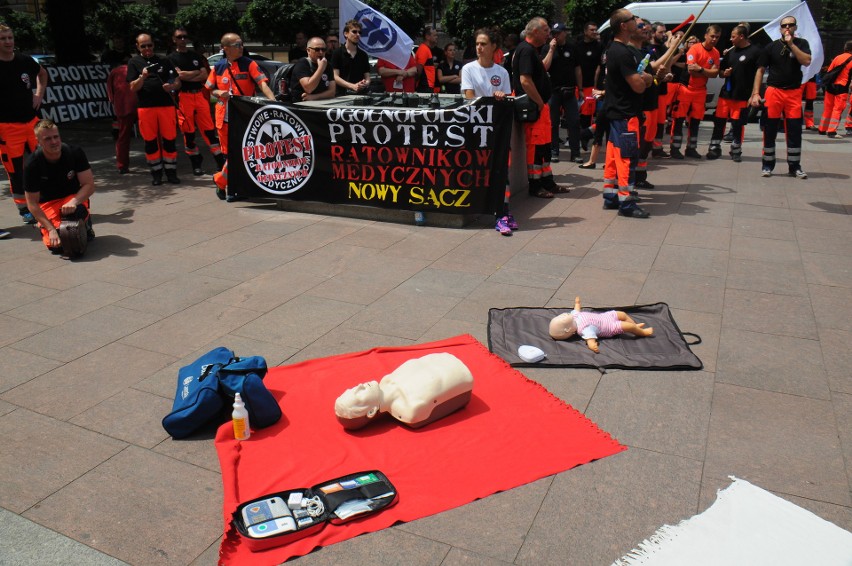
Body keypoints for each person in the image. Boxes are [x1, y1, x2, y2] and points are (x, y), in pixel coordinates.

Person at [205, 32, 275, 201]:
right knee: (230, 155)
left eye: (241, 44)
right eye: (237, 45)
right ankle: (232, 189)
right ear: (225, 48)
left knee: (243, 153)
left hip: (244, 116)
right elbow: (209, 88)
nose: (241, 47)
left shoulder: (248, 64)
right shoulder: (219, 67)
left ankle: (221, 181)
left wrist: (273, 102)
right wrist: (219, 92)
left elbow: (262, 84)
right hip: (224, 118)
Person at [461, 27, 515, 235]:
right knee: (478, 171)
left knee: (502, 171)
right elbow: (468, 98)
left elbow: (508, 100)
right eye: (477, 44)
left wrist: (501, 97)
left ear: (494, 47)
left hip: (498, 130)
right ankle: (478, 208)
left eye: (484, 44)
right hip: (475, 130)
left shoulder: (501, 72)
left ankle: (503, 212)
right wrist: (493, 99)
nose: (479, 48)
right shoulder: (468, 69)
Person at [601, 9, 654, 218]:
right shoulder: (622, 52)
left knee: (614, 157)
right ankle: (627, 203)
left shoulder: (614, 49)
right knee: (627, 159)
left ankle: (611, 196)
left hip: (616, 113)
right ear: (623, 25)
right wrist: (648, 79)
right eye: (633, 19)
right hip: (626, 115)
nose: (637, 22)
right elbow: (639, 86)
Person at [334, 353, 474, 430]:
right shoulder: (411, 409)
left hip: (447, 359)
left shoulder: (387, 380)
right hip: (462, 374)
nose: (359, 386)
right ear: (371, 412)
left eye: (352, 389)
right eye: (358, 395)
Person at [513, 17, 569, 199]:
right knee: (535, 150)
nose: (549, 34)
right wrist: (538, 102)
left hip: (540, 108)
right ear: (535, 31)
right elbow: (525, 81)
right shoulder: (526, 50)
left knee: (544, 148)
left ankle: (548, 182)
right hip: (534, 108)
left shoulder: (532, 51)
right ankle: (535, 186)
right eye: (545, 30)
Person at [750, 15, 811, 178]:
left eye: (791, 25)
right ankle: (767, 165)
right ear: (780, 28)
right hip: (774, 91)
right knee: (769, 129)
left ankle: (794, 166)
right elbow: (760, 70)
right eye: (784, 25)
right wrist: (756, 93)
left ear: (795, 28)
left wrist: (791, 44)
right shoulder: (770, 47)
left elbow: (806, 61)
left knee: (794, 130)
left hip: (793, 93)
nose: (787, 28)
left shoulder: (801, 44)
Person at [0, 23, 48, 225]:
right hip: (7, 127)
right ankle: (24, 209)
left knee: (45, 161)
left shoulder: (25, 61)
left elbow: (43, 75)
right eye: (3, 39)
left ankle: (46, 200)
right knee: (16, 170)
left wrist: (39, 93)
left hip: (32, 123)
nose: (8, 42)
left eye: (10, 37)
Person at [24, 119, 95, 253]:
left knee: (78, 213)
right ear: (38, 141)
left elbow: (89, 185)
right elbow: (32, 203)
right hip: (48, 204)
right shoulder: (32, 165)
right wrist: (51, 229)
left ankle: (85, 224)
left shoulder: (75, 152)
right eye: (47, 139)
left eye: (56, 137)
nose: (54, 142)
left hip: (72, 199)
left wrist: (74, 202)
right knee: (57, 246)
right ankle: (45, 227)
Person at [168, 28, 225, 176]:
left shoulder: (195, 55)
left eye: (184, 37)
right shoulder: (171, 58)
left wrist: (188, 75)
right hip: (184, 97)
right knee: (188, 133)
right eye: (179, 37)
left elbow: (205, 75)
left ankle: (220, 162)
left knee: (209, 130)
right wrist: (195, 73)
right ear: (174, 39)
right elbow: (179, 76)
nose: (182, 39)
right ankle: (196, 163)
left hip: (199, 95)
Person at [127, 33, 182, 186]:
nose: (147, 49)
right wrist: (142, 77)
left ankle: (171, 173)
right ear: (138, 47)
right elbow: (132, 87)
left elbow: (177, 81)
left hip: (166, 106)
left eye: (149, 45)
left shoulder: (163, 60)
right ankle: (156, 174)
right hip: (146, 108)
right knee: (150, 142)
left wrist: (171, 86)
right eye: (143, 46)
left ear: (153, 45)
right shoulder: (134, 62)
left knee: (170, 140)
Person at [707, 25, 761, 162]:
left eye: (733, 36)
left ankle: (736, 150)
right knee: (719, 122)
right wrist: (723, 73)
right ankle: (714, 148)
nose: (731, 39)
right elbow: (721, 71)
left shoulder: (754, 52)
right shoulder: (731, 52)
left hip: (742, 96)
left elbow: (758, 74)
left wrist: (754, 93)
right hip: (726, 95)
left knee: (737, 124)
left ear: (741, 36)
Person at [670, 24, 720, 159]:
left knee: (696, 120)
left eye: (717, 37)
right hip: (686, 89)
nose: (714, 39)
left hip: (701, 91)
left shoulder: (715, 52)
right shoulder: (694, 48)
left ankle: (691, 148)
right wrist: (706, 72)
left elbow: (715, 74)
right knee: (679, 119)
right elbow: (691, 70)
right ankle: (675, 149)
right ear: (706, 35)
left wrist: (702, 70)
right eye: (712, 36)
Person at [549, 296, 654, 353]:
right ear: (568, 329)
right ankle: (641, 332)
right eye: (561, 319)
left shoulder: (574, 316)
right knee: (628, 327)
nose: (562, 315)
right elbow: (590, 339)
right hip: (609, 327)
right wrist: (592, 346)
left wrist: (577, 304)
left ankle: (635, 326)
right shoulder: (583, 329)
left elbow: (576, 310)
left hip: (605, 317)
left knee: (622, 314)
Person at [547, 22, 583, 164]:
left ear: (564, 33)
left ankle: (575, 153)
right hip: (553, 91)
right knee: (553, 123)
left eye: (558, 32)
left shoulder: (572, 47)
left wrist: (580, 89)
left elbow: (577, 69)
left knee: (574, 122)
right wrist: (550, 50)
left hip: (569, 91)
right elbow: (544, 66)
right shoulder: (547, 47)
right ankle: (554, 151)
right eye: (553, 32)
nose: (555, 35)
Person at [106, 58, 137, 174]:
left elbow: (110, 94)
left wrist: (116, 104)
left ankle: (122, 165)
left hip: (124, 107)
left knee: (123, 137)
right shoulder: (138, 67)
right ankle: (156, 161)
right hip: (141, 104)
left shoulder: (114, 72)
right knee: (151, 134)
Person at [817, 41, 852, 138]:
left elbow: (829, 71)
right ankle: (832, 131)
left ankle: (822, 129)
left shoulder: (837, 57)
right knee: (838, 109)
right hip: (842, 86)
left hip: (830, 85)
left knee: (828, 108)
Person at [331, 20, 371, 96]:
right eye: (354, 32)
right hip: (342, 96)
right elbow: (335, 76)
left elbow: (367, 77)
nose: (358, 34)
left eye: (359, 32)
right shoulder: (337, 53)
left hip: (361, 96)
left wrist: (364, 84)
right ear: (346, 34)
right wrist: (352, 86)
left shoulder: (363, 55)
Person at [290, 37, 336, 101]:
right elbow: (309, 88)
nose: (321, 52)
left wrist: (314, 97)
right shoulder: (303, 63)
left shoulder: (327, 65)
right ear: (308, 50)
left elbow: (332, 92)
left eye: (323, 49)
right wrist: (321, 68)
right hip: (301, 104)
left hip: (321, 102)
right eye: (317, 49)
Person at [578, 22, 603, 131]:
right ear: (585, 31)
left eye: (595, 30)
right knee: (574, 111)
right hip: (577, 85)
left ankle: (585, 133)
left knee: (588, 112)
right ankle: (572, 137)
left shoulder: (599, 46)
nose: (594, 32)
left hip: (590, 85)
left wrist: (595, 84)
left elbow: (600, 66)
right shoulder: (577, 45)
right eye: (591, 30)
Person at [415, 25, 442, 94]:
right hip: (424, 86)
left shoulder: (426, 49)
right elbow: (419, 70)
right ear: (427, 36)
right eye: (435, 35)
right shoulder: (423, 49)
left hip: (427, 86)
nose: (437, 37)